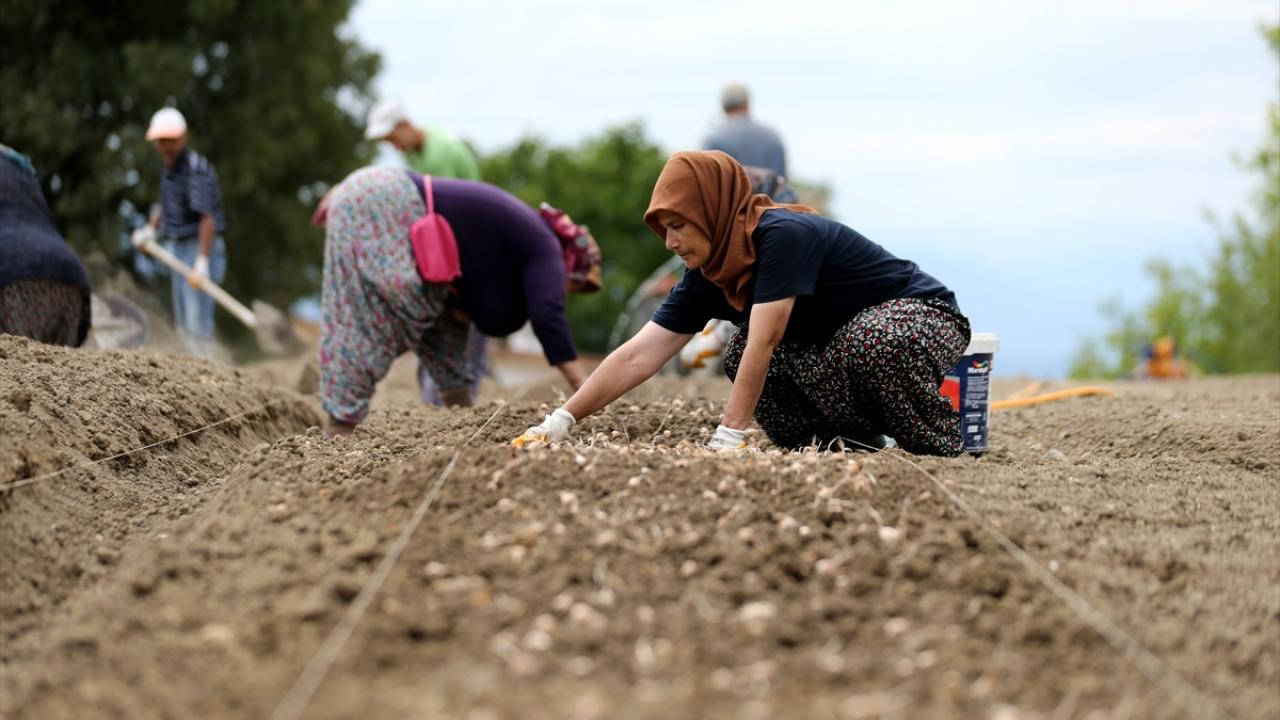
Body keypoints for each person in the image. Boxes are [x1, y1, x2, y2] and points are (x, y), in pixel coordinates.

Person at [514, 151, 972, 456]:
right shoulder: (710, 273)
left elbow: (767, 337)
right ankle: (856, 442)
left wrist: (729, 436)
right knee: (740, 354)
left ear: (712, 211)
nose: (671, 242)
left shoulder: (781, 237)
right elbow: (638, 354)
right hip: (839, 341)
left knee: (861, 343)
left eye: (680, 225)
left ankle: (940, 442)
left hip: (919, 316)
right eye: (664, 229)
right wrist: (563, 417)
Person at [318, 166, 593, 436]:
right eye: (574, 286)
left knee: (443, 319)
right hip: (382, 203)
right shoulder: (549, 250)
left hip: (376, 194)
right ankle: (340, 426)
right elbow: (547, 313)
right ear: (573, 267)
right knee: (371, 318)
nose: (564, 292)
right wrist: (584, 388)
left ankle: (459, 413)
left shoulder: (522, 242)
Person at [365, 98, 486, 404]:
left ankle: (453, 399)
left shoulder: (440, 153)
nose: (393, 146)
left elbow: (443, 213)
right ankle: (439, 398)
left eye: (392, 138)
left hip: (463, 247)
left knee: (458, 324)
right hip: (450, 245)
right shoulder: (418, 153)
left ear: (405, 126)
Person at [141, 107, 227, 357]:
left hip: (199, 246)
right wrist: (150, 229)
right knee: (184, 322)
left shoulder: (196, 169)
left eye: (171, 140)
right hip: (177, 247)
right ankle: (195, 371)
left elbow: (207, 218)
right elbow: (165, 203)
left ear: (183, 138)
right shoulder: (169, 170)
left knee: (196, 320)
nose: (166, 146)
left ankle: (208, 372)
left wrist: (202, 261)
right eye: (162, 141)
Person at [0, 143, 91, 347]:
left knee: (14, 367)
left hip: (11, 279)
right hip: (71, 277)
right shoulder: (18, 164)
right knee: (54, 372)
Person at [703, 83, 789, 187]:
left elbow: (708, 184)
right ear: (747, 103)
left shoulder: (714, 137)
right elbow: (782, 182)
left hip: (732, 203)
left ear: (724, 106)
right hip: (771, 202)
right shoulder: (773, 136)